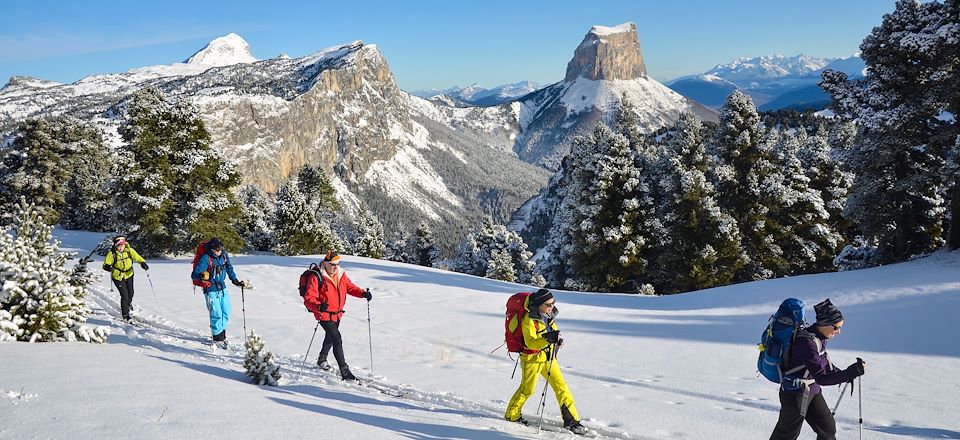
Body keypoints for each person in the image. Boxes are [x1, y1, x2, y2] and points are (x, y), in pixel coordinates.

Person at [770, 299, 867, 440]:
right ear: (825, 324)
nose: (839, 332)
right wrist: (848, 374)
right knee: (786, 435)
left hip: (812, 390)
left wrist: (850, 371)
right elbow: (822, 377)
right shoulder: (806, 343)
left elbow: (825, 366)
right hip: (795, 393)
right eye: (836, 327)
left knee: (827, 429)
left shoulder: (819, 337)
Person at [504, 288, 588, 435]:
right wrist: (547, 339)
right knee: (527, 390)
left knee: (561, 387)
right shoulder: (529, 319)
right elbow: (530, 342)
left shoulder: (549, 315)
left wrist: (557, 341)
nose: (551, 307)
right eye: (548, 304)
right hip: (532, 359)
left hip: (548, 357)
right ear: (539, 304)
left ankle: (572, 421)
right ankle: (512, 415)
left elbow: (553, 332)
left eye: (553, 303)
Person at [302, 250, 371, 381]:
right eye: (333, 264)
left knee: (330, 337)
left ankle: (322, 359)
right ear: (325, 263)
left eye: (338, 264)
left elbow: (350, 287)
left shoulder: (340, 274)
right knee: (337, 339)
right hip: (323, 314)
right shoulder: (317, 277)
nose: (336, 266)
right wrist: (318, 306)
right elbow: (308, 298)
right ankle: (345, 371)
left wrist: (362, 293)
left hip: (337, 314)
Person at [191, 237, 248, 348]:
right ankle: (218, 338)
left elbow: (229, 268)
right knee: (216, 312)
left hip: (222, 287)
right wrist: (202, 276)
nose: (218, 252)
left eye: (220, 249)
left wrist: (235, 280)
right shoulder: (206, 258)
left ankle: (222, 334)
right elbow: (194, 274)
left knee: (226, 310)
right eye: (216, 250)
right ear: (211, 249)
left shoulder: (224, 256)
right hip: (210, 288)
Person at [101, 236, 148, 321]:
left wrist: (142, 263)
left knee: (131, 293)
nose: (120, 247)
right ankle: (125, 315)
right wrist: (108, 267)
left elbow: (138, 257)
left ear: (124, 244)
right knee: (125, 296)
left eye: (122, 245)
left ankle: (128, 304)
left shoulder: (130, 251)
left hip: (129, 274)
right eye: (118, 246)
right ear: (115, 246)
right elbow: (105, 265)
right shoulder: (112, 254)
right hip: (118, 277)